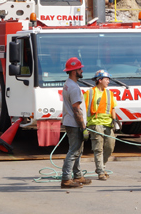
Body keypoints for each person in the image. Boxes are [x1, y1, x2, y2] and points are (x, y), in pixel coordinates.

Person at [60, 57, 92, 189]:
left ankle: (78, 175)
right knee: (74, 151)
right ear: (74, 71)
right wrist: (83, 127)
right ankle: (66, 179)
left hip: (70, 122)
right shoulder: (74, 88)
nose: (81, 70)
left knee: (77, 150)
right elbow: (76, 109)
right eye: (79, 69)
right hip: (74, 123)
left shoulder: (68, 83)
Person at [85, 69, 118, 180]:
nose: (108, 81)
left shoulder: (109, 93)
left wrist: (115, 120)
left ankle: (102, 166)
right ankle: (100, 171)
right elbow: (82, 109)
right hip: (95, 123)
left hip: (108, 124)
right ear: (99, 80)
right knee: (98, 148)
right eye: (106, 79)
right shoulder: (89, 93)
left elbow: (112, 108)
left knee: (110, 146)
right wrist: (84, 125)